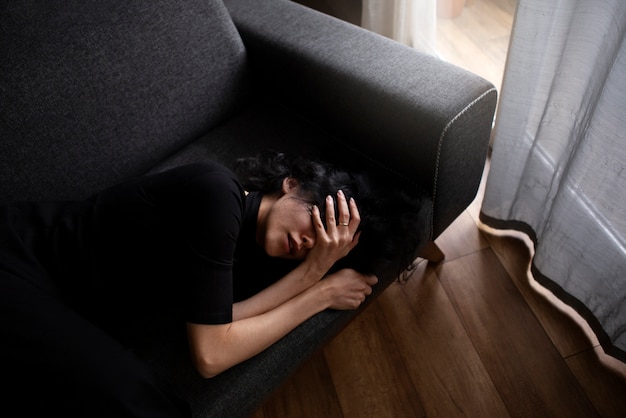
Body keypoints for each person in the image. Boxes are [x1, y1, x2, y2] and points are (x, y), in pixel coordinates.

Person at [0, 151, 424, 417]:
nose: (309, 243)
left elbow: (221, 322)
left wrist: (315, 272)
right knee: (129, 394)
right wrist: (317, 286)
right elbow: (212, 354)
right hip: (20, 256)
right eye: (316, 222)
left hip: (61, 303)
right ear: (291, 184)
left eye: (325, 245)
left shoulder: (248, 255)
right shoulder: (217, 195)